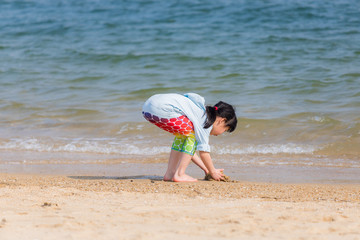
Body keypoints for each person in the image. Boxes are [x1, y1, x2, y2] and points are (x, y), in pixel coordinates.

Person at [142, 93, 237, 182]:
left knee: (184, 137)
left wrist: (206, 169)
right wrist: (212, 171)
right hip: (162, 109)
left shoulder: (199, 112)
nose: (221, 133)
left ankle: (170, 173)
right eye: (225, 130)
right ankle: (179, 174)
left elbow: (187, 151)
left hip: (148, 108)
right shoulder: (205, 121)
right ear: (222, 121)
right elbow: (203, 153)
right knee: (191, 135)